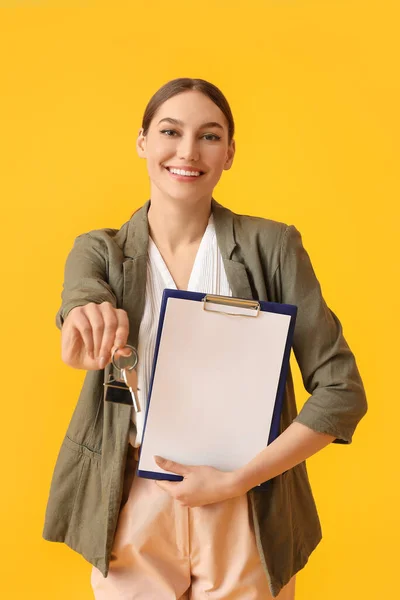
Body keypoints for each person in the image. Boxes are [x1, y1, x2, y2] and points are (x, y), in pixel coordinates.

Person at [43, 78, 367, 599]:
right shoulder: (98, 249)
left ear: (230, 153)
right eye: (170, 131)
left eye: (210, 136)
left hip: (247, 504)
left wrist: (237, 481)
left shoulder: (273, 247)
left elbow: (341, 392)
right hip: (131, 502)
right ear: (143, 142)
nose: (188, 152)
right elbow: (83, 296)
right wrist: (85, 319)